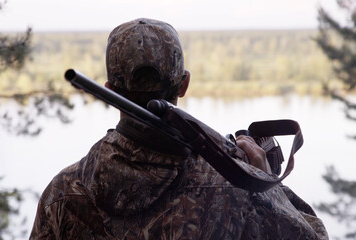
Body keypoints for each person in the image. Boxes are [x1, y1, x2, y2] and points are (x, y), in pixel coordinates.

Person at [30, 18, 328, 239]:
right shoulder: (234, 189)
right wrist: (262, 182)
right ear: (184, 84)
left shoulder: (63, 193)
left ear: (110, 91)